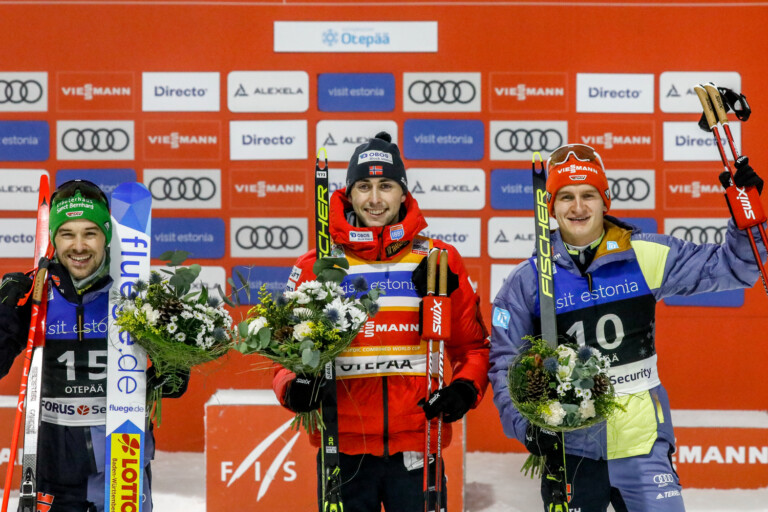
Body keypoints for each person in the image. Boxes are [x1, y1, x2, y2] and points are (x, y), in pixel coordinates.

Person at [489, 144, 765, 512]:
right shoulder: (528, 280)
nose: (578, 207)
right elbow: (505, 362)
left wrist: (746, 214)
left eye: (588, 195)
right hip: (571, 452)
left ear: (605, 200)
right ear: (551, 206)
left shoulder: (644, 255)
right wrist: (528, 427)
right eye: (566, 197)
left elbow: (737, 267)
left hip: (643, 446)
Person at [272, 132, 490, 511]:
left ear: (403, 193)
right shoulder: (317, 264)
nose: (374, 199)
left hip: (417, 445)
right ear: (349, 193)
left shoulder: (438, 260)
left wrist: (465, 389)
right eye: (364, 186)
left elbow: (473, 347)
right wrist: (293, 386)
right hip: (342, 446)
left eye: (386, 186)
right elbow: (283, 355)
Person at [0, 179, 188, 512]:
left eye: (90, 233)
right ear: (54, 239)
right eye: (67, 234)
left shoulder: (136, 293)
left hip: (123, 459)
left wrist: (173, 367)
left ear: (106, 236)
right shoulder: (35, 294)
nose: (79, 246)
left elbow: (173, 383)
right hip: (54, 466)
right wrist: (4, 317)